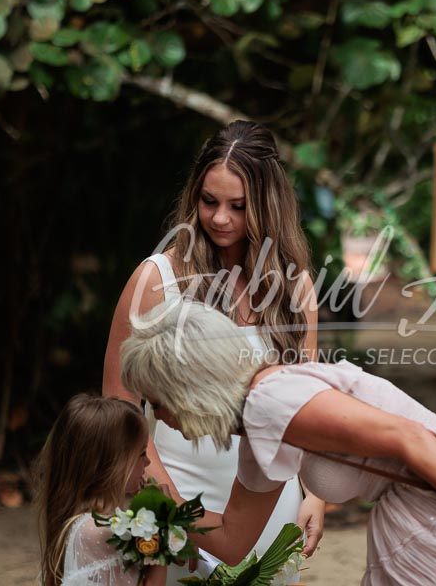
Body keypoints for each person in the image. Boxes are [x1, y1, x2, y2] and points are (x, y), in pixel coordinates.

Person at [120, 299, 436, 586]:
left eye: (158, 403)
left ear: (189, 391)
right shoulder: (258, 430)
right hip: (419, 512)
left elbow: (413, 438)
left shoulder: (270, 400)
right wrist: (166, 503)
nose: (160, 418)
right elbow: (231, 542)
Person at [102, 120, 324, 583]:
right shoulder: (156, 278)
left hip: (270, 499)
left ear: (268, 205)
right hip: (176, 484)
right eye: (209, 201)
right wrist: (162, 498)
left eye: (238, 206)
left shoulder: (295, 287)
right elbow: (120, 405)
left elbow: (306, 408)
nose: (220, 218)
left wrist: (315, 494)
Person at [35, 394, 165, 586]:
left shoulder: (90, 522)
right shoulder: (98, 531)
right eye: (141, 453)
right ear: (110, 463)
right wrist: (163, 526)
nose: (147, 462)